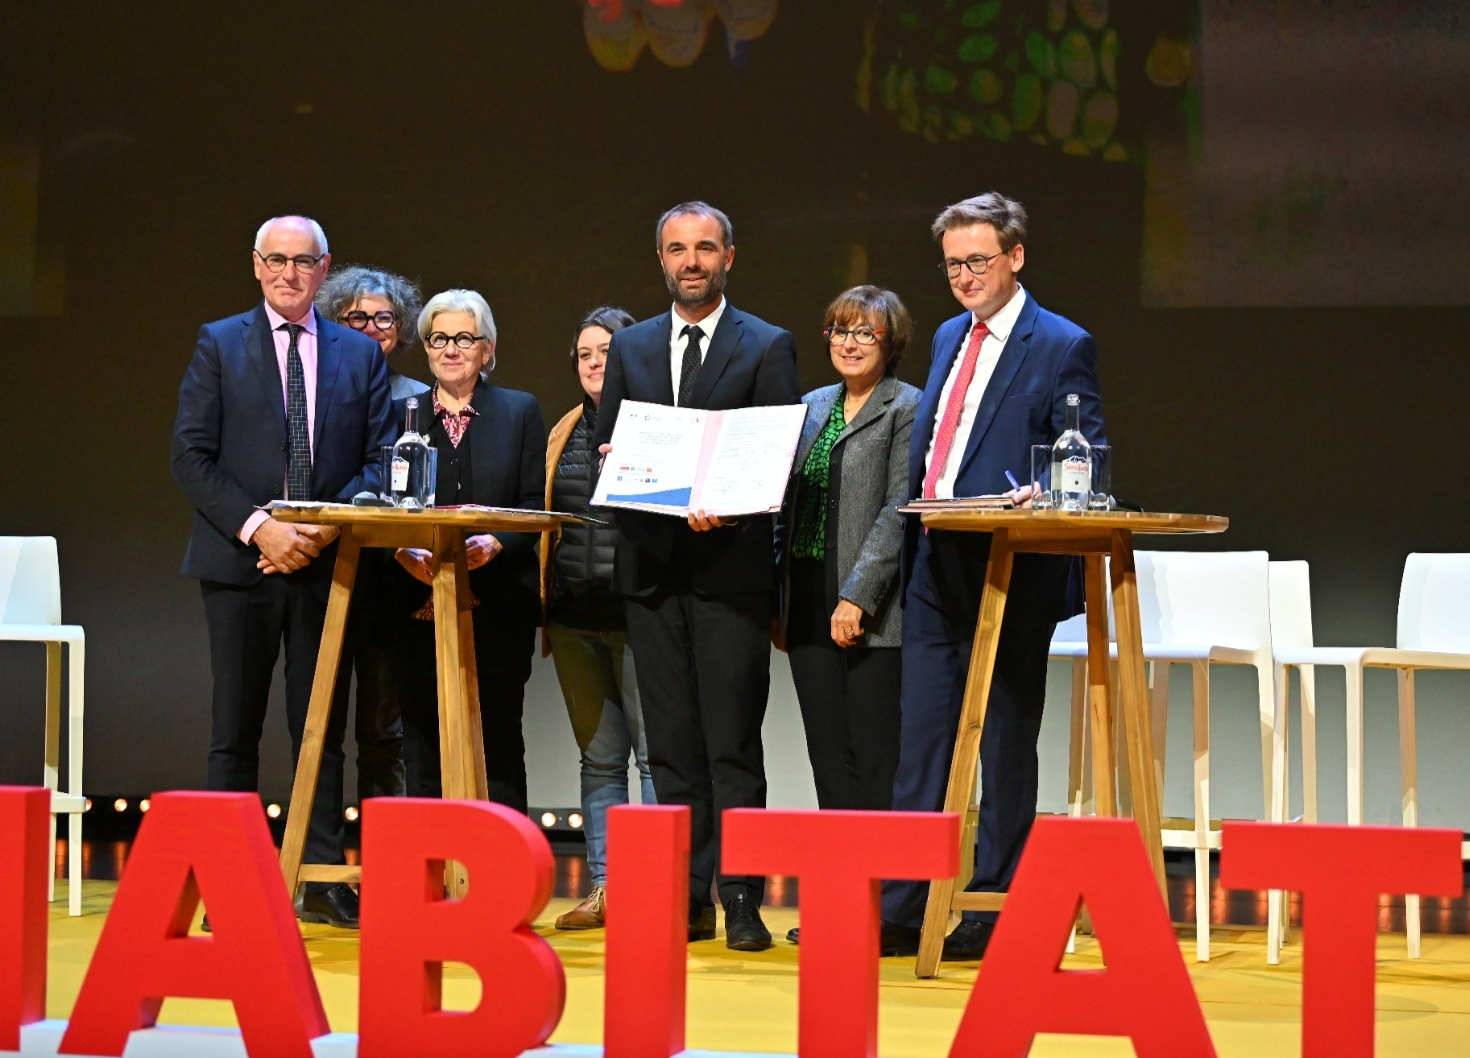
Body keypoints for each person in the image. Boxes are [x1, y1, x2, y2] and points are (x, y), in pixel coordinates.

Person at [879, 193, 1106, 960]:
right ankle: (905, 907)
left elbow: (1087, 456)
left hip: (1013, 562)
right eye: (953, 265)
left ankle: (992, 907)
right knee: (923, 742)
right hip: (937, 556)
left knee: (1005, 738)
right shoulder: (949, 335)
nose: (965, 277)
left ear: (1015, 257)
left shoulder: (1061, 343)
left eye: (979, 261)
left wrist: (1046, 491)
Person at [171, 215, 394, 929]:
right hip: (241, 563)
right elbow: (191, 456)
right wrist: (263, 527)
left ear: (324, 269)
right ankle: (227, 881)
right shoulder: (219, 342)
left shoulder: (359, 356)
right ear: (257, 266)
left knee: (320, 729)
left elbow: (380, 457)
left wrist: (323, 526)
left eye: (303, 262)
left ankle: (320, 878)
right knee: (233, 728)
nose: (289, 274)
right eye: (277, 260)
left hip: (327, 565)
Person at [592, 201, 799, 951]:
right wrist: (624, 469)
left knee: (732, 744)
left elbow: (775, 455)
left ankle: (742, 898)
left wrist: (731, 509)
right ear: (661, 259)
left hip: (729, 572)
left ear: (729, 258)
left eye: (704, 248)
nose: (691, 262)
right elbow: (611, 442)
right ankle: (687, 900)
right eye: (677, 249)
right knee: (673, 746)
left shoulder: (768, 345)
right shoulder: (633, 346)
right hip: (651, 573)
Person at [389, 289, 546, 811]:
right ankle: (426, 874)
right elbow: (382, 501)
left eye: (464, 338)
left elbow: (531, 506)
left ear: (487, 348)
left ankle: (500, 874)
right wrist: (400, 551)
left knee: (498, 736)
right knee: (421, 735)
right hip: (416, 603)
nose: (450, 349)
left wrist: (499, 541)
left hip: (498, 603)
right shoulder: (400, 414)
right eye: (439, 338)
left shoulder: (520, 410)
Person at [543, 306, 657, 931]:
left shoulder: (656, 425)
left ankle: (664, 889)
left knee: (653, 758)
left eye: (606, 351)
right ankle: (609, 888)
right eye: (585, 353)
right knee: (601, 759)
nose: (594, 363)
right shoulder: (563, 429)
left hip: (639, 615)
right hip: (573, 619)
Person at [314, 266, 428, 804]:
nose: (371, 327)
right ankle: (325, 867)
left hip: (394, 579)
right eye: (356, 317)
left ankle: (392, 869)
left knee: (386, 729)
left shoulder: (420, 399)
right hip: (324, 571)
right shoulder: (315, 388)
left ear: (401, 327)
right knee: (318, 725)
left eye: (384, 317)